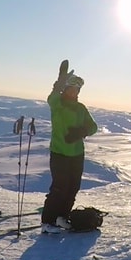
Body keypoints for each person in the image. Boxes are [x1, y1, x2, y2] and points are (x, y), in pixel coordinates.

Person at [41, 60, 98, 233]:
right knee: (59, 187)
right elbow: (51, 97)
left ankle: (62, 217)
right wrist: (60, 80)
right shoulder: (58, 105)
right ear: (65, 89)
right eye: (70, 89)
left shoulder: (81, 108)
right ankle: (47, 222)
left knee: (73, 187)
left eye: (76, 90)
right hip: (59, 152)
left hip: (77, 153)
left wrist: (82, 131)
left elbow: (93, 126)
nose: (73, 92)